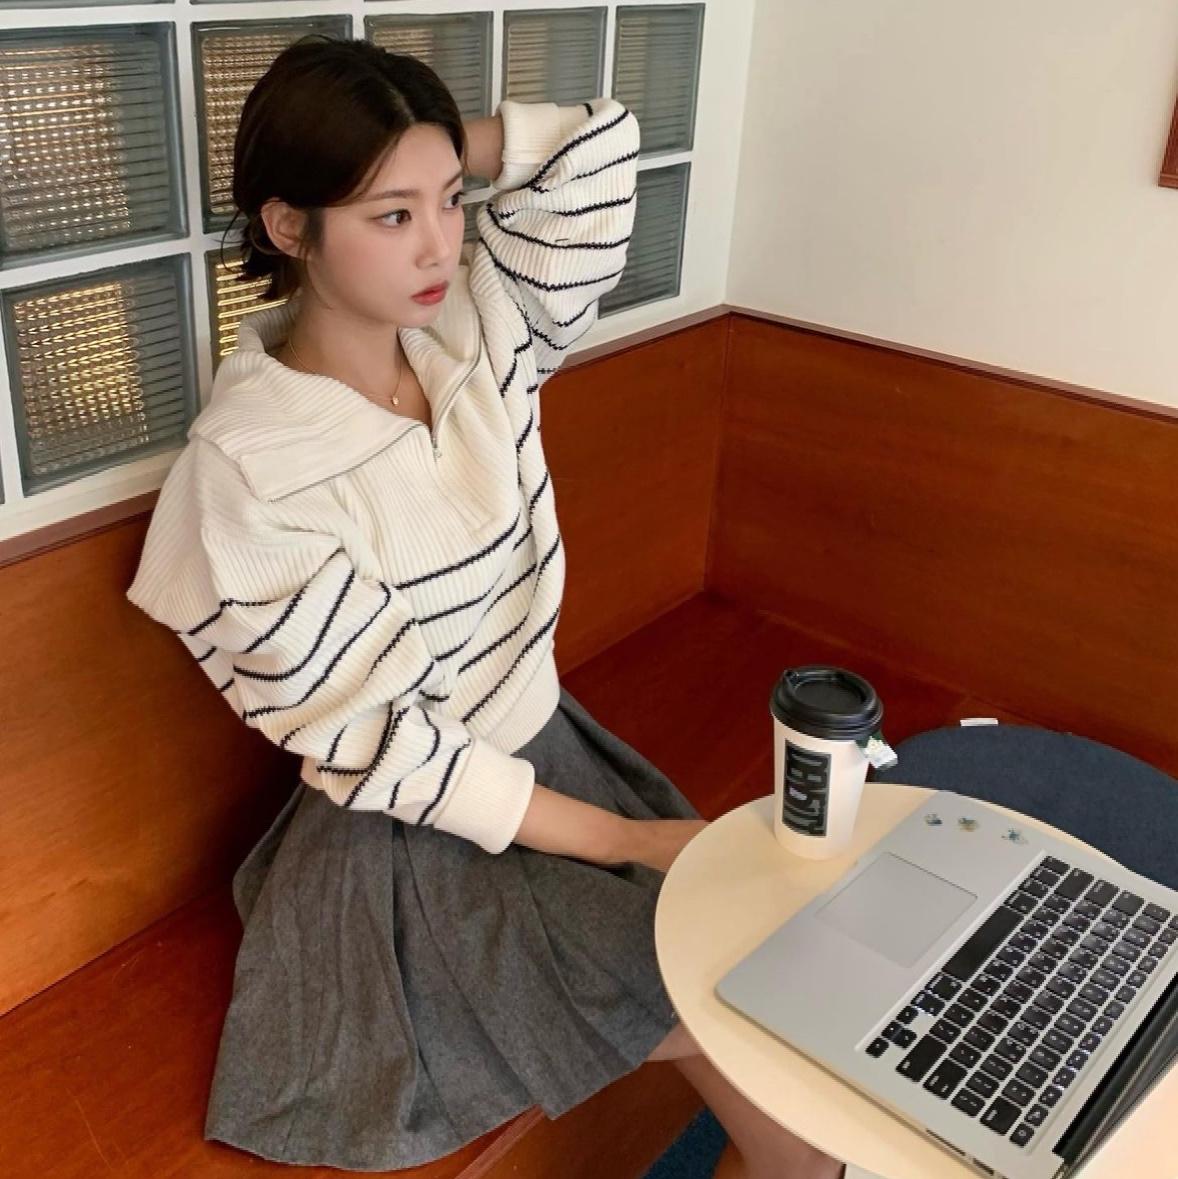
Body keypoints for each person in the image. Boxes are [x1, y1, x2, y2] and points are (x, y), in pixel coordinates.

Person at [125, 36, 844, 1179]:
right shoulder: (247, 475)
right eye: (390, 215)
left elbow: (597, 151)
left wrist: (413, 143)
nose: (439, 243)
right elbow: (390, 754)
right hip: (405, 843)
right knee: (705, 972)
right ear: (288, 225)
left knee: (748, 975)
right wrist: (628, 841)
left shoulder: (474, 327)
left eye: (450, 201)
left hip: (549, 752)